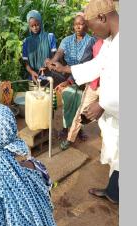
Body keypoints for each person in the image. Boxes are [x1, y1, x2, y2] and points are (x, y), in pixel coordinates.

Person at [52, 0, 119, 204]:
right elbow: (99, 64)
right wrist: (66, 69)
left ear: (102, 18)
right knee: (118, 154)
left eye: (90, 27)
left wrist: (103, 104)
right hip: (116, 113)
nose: (92, 33)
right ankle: (114, 192)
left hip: (117, 108)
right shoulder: (110, 41)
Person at [46, 12, 97, 142]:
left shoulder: (91, 41)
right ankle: (65, 127)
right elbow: (59, 53)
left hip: (84, 75)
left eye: (81, 24)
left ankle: (78, 129)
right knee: (68, 100)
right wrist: (52, 61)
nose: (78, 27)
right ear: (73, 26)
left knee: (81, 103)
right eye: (76, 24)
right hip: (68, 73)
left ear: (86, 25)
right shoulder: (67, 40)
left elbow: (89, 62)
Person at [59, 38, 104, 150]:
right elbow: (84, 63)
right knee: (81, 112)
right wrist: (69, 78)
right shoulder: (95, 43)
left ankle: (106, 145)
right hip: (93, 84)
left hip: (109, 87)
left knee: (109, 118)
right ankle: (70, 138)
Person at [22, 10, 57, 86]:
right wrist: (31, 72)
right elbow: (26, 63)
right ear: (29, 26)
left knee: (49, 95)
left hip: (49, 75)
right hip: (34, 76)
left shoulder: (49, 37)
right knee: (33, 97)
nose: (35, 28)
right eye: (32, 26)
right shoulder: (26, 42)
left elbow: (55, 57)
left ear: (41, 23)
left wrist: (48, 66)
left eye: (37, 25)